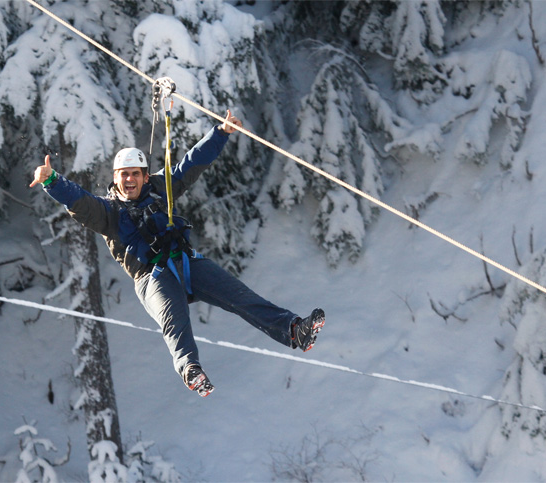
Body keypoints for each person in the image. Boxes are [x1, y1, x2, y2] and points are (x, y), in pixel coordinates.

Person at [30, 110, 325, 397]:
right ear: (116, 178)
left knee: (240, 297)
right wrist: (51, 180)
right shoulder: (107, 211)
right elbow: (78, 201)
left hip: (186, 261)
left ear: (146, 177)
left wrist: (220, 133)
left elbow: (191, 165)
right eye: (124, 175)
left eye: (135, 174)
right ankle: (190, 369)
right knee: (175, 321)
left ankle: (293, 329)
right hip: (152, 278)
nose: (129, 181)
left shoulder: (160, 189)